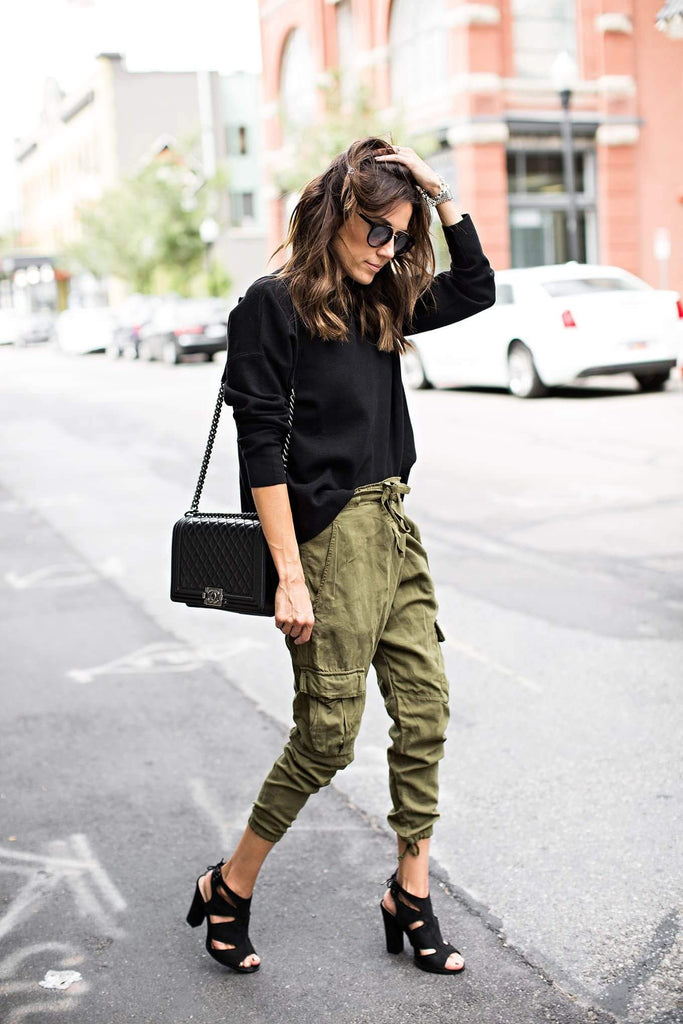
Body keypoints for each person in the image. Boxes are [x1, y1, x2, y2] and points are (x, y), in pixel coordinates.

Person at [186, 137, 496, 975]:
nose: (385, 249)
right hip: (325, 543)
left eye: (399, 236)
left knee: (424, 712)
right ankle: (231, 884)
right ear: (333, 213)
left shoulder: (384, 298)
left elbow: (476, 287)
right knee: (326, 737)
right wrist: (289, 575)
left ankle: (410, 892)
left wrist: (436, 192)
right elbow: (260, 450)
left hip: (393, 526)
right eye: (374, 230)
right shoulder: (271, 305)